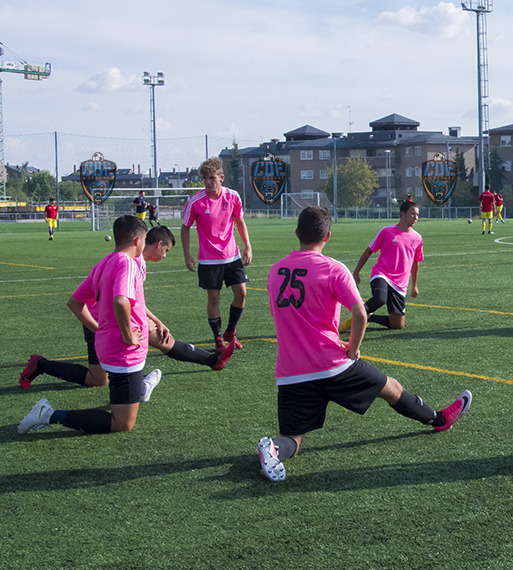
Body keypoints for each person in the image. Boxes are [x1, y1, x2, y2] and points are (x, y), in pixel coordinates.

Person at [257, 207, 471, 482]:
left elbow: (291, 319)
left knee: (293, 439)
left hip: (291, 373)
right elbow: (360, 313)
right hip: (332, 366)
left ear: (297, 232)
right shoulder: (333, 268)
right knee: (391, 388)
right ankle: (439, 419)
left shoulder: (275, 271)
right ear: (328, 236)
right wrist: (353, 348)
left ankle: (273, 449)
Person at [19, 225, 232, 394]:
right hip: (100, 318)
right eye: (166, 251)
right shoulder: (131, 262)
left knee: (104, 375)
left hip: (116, 317)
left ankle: (213, 360)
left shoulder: (137, 261)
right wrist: (105, 330)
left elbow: (133, 301)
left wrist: (156, 320)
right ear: (157, 244)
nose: (165, 256)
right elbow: (119, 301)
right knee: (98, 379)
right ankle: (41, 364)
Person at [18, 217, 162, 436]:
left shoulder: (103, 264)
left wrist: (100, 330)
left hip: (110, 347)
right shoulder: (128, 263)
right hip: (125, 352)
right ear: (137, 240)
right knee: (122, 422)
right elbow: (121, 301)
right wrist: (128, 336)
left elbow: (75, 303)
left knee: (113, 390)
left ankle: (141, 389)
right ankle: (48, 415)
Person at [181, 157, 253, 352]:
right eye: (205, 178)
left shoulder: (233, 197)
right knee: (214, 298)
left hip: (232, 257)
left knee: (241, 293)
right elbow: (185, 227)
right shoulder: (195, 202)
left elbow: (240, 222)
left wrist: (247, 246)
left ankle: (231, 331)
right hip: (208, 260)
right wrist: (187, 254)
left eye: (211, 178)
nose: (207, 182)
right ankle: (218, 338)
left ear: (221, 178)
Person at [350, 200, 423, 330]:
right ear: (403, 214)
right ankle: (357, 316)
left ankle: (369, 317)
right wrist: (356, 272)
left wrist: (414, 285)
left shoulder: (417, 238)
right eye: (412, 213)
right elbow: (369, 251)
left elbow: (415, 263)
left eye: (417, 214)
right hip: (382, 274)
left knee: (397, 325)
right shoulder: (386, 231)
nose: (415, 217)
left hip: (400, 284)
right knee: (380, 299)